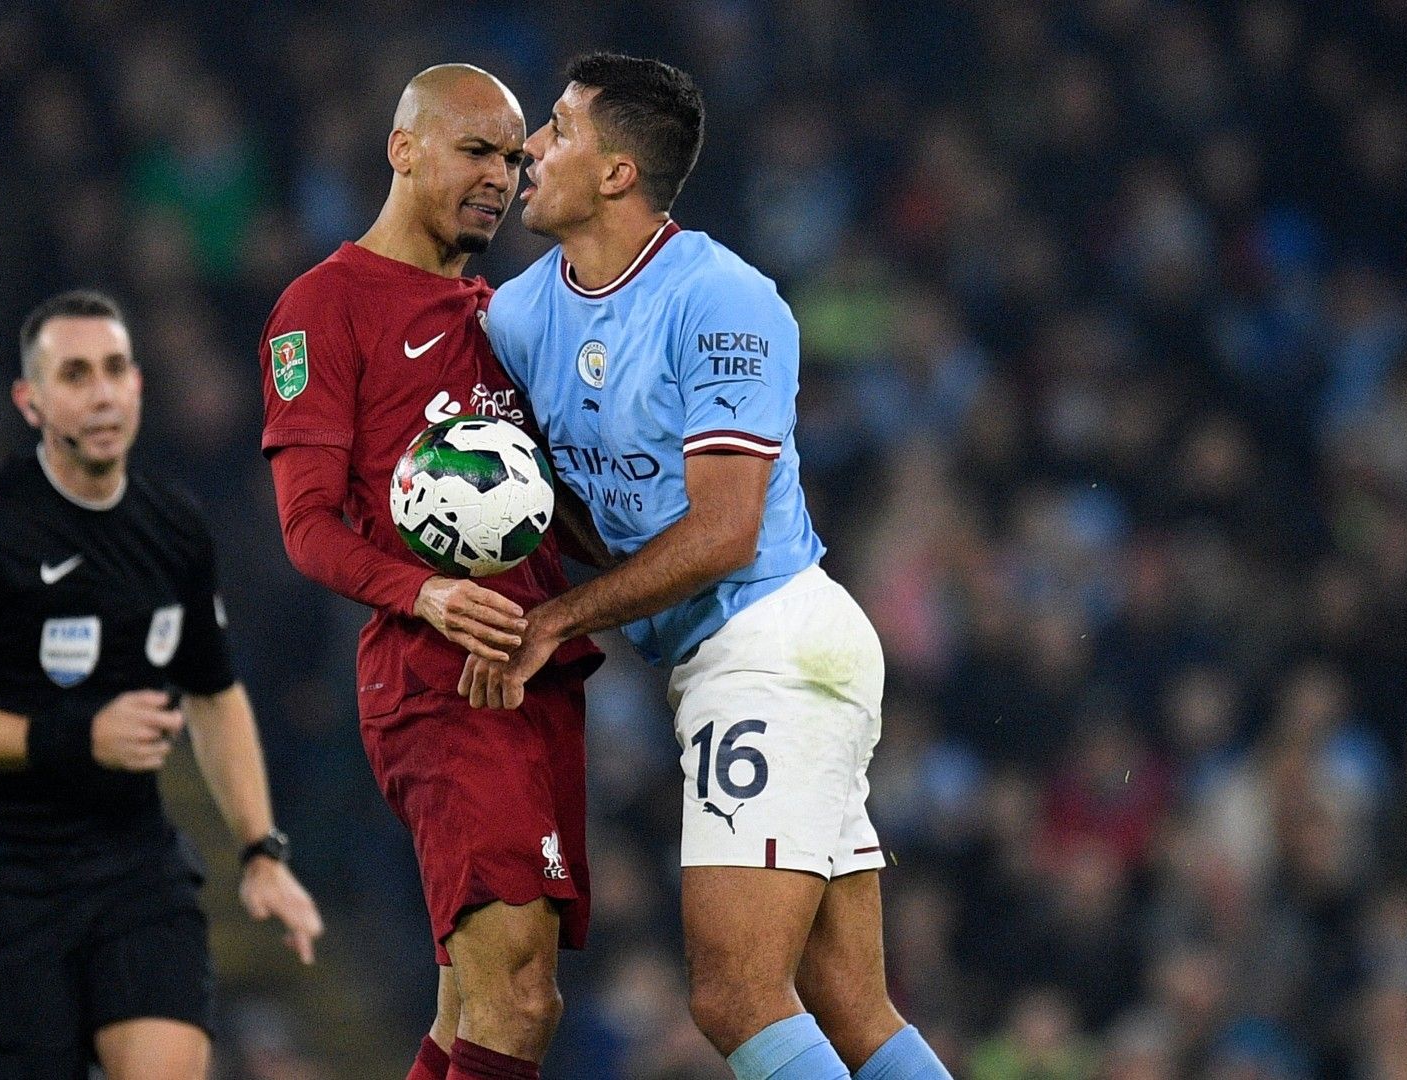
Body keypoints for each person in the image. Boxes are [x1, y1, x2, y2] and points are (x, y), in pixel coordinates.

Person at [476, 55, 953, 1080]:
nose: (531, 149)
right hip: (728, 664)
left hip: (775, 643)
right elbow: (545, 495)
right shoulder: (518, 317)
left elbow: (725, 531)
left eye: (557, 130)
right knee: (851, 1007)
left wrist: (562, 619)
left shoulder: (727, 302)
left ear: (614, 173)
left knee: (734, 995)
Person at [259, 64, 602, 1080]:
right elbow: (308, 529)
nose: (502, 175)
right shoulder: (321, 306)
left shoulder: (503, 315)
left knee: (478, 1009)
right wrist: (431, 594)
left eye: (512, 156)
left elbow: (558, 509)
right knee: (518, 1000)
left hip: (535, 673)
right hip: (435, 682)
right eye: (476, 151)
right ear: (404, 150)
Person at [0, 290, 322, 1080]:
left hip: (129, 861)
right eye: (75, 374)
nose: (100, 392)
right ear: (31, 402)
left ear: (139, 387)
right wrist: (76, 736)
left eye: (115, 369)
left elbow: (214, 694)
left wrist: (261, 851)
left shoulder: (173, 528)